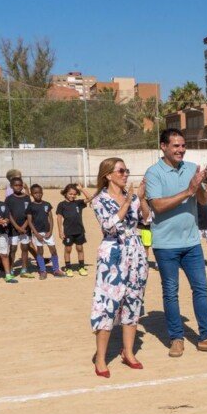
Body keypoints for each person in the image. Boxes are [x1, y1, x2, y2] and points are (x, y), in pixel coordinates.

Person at [144, 128, 207, 357]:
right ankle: (176, 338)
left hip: (192, 242)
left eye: (183, 145)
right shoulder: (153, 173)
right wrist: (188, 190)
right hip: (165, 245)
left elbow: (202, 200)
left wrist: (199, 186)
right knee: (171, 292)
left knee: (201, 289)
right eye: (176, 146)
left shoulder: (192, 168)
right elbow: (157, 206)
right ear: (163, 146)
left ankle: (206, 337)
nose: (181, 150)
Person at [90, 158, 149, 378]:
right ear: (108, 175)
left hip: (136, 252)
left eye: (126, 171)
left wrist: (141, 199)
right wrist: (127, 202)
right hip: (113, 255)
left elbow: (147, 219)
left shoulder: (131, 197)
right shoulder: (99, 199)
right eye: (121, 171)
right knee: (107, 304)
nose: (125, 174)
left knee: (133, 302)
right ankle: (101, 358)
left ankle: (128, 352)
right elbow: (109, 226)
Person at [26, 184, 65, 280]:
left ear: (42, 193)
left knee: (53, 250)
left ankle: (56, 269)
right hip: (37, 233)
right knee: (40, 251)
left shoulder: (47, 204)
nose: (38, 194)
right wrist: (36, 233)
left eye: (40, 192)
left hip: (47, 232)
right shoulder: (30, 206)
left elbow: (50, 218)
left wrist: (50, 231)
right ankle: (43, 270)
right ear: (31, 194)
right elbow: (29, 221)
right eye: (35, 193)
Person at [56, 184, 92, 277]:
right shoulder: (61, 205)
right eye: (70, 194)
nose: (72, 196)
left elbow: (90, 198)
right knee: (68, 249)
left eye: (74, 194)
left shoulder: (78, 203)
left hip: (79, 230)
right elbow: (59, 218)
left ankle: (81, 267)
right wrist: (60, 231)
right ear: (65, 193)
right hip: (68, 231)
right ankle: (68, 268)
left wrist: (81, 189)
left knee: (80, 248)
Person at [5, 176, 33, 277]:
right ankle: (11, 268)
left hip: (25, 228)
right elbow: (8, 214)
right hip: (13, 228)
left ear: (22, 186)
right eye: (16, 185)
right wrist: (17, 227)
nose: (18, 187)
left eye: (20, 185)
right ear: (12, 186)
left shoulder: (27, 197)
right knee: (13, 249)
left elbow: (30, 213)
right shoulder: (9, 199)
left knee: (25, 248)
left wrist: (24, 226)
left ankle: (24, 269)